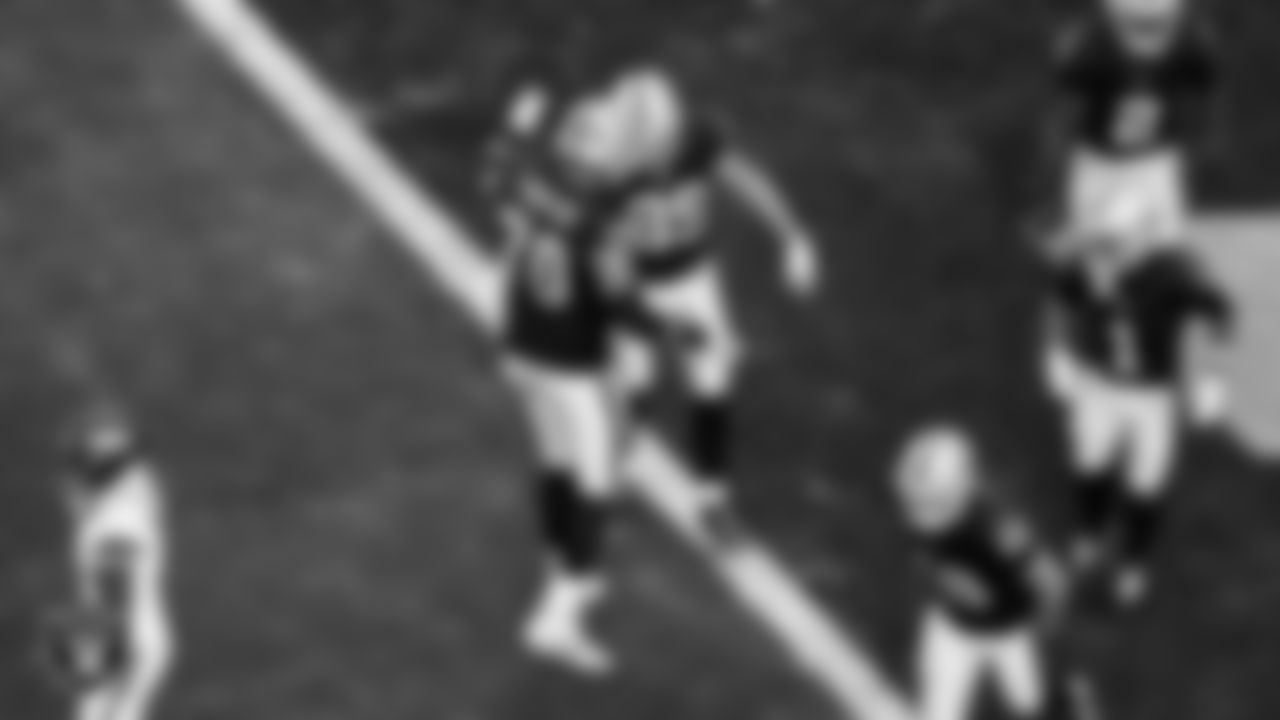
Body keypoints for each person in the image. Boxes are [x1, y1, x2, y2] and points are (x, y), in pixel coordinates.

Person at [591, 67, 821, 536]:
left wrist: (791, 233)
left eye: (666, 142)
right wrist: (660, 326)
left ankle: (712, 500)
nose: (663, 153)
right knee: (636, 385)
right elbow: (608, 270)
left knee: (712, 384)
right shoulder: (609, 174)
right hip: (636, 286)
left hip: (693, 276)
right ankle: (612, 473)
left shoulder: (694, 138)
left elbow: (743, 178)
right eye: (652, 148)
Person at [487, 83, 653, 676]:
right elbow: (618, 300)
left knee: (556, 461)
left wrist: (513, 127)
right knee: (598, 484)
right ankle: (556, 618)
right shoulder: (602, 218)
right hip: (568, 366)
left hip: (519, 351)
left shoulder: (536, 177)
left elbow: (495, 179)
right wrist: (673, 334)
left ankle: (560, 569)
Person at [1042, 212, 1233, 608]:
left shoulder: (1174, 275)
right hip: (1099, 385)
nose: (1109, 254)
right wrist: (1055, 349)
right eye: (1106, 242)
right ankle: (1090, 533)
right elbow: (1058, 298)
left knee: (1147, 484)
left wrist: (1212, 374)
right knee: (1089, 464)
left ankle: (1133, 561)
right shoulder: (1088, 266)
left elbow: (1219, 312)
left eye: (1119, 244)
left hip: (1151, 396)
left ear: (1144, 243)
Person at [895, 425, 1069, 720]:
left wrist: (1048, 618)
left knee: (1031, 705)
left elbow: (1051, 578)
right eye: (918, 499)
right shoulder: (934, 517)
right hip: (953, 625)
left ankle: (1064, 702)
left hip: (1006, 629)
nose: (922, 509)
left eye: (932, 500)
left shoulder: (997, 531)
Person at [1053, 0, 1217, 254]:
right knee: (1099, 250)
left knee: (1163, 248)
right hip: (1099, 163)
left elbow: (1204, 78)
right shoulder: (1095, 49)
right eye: (1139, 25)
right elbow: (1068, 83)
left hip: (1154, 162)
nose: (1147, 34)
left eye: (1154, 25)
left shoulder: (1186, 44)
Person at [55, 409, 174, 720]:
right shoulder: (114, 512)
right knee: (104, 706)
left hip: (121, 633)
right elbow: (115, 572)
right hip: (121, 632)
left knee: (106, 706)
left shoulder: (128, 494)